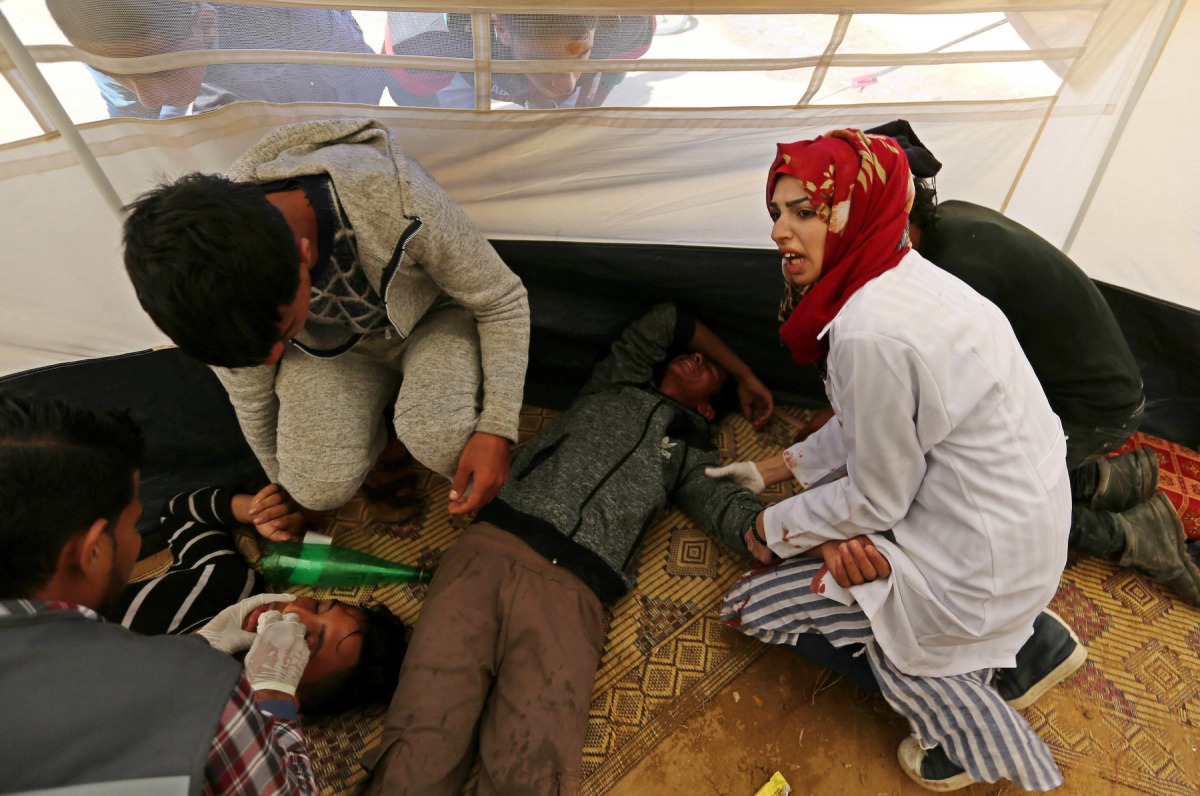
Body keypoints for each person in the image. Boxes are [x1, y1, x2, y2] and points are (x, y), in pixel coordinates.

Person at [711, 130, 1077, 791]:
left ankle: (965, 725)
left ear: (857, 211)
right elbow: (868, 429)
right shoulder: (907, 276)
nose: (780, 233)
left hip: (975, 563)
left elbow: (879, 497)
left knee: (753, 604)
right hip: (1023, 534)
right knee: (841, 543)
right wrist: (777, 471)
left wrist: (776, 528)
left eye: (805, 212)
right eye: (777, 212)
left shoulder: (867, 330)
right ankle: (1029, 643)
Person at [360, 302, 773, 795]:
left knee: (533, 766)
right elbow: (665, 320)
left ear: (707, 409)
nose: (699, 359)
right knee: (419, 743)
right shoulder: (614, 381)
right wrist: (745, 373)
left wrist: (788, 534)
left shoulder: (692, 455)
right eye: (696, 355)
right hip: (490, 550)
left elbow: (729, 509)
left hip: (571, 593)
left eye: (713, 372)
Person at [122, 118, 530, 526]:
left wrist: (497, 428)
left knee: (441, 436)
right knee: (313, 487)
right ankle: (383, 443)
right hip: (335, 354)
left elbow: (502, 300)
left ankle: (415, 440)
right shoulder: (212, 292)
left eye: (283, 334)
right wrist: (283, 490)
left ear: (304, 256)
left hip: (431, 322)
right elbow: (251, 398)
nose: (270, 364)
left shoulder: (395, 199)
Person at [867, 119, 1199, 606]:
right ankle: (1107, 480)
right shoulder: (945, 226)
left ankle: (1132, 533)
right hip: (1060, 389)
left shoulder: (958, 270)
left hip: (1096, 409)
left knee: (969, 504)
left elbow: (945, 397)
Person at [0, 394, 316, 794]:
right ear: (93, 550)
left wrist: (199, 646)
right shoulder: (198, 689)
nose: (297, 616)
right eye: (134, 522)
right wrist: (271, 690)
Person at [114, 482, 409, 714]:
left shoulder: (189, 726)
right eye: (319, 605)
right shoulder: (227, 585)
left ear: (288, 693)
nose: (294, 610)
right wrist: (255, 509)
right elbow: (178, 513)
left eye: (307, 639)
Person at [47, 0, 387, 119]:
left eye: (161, 72)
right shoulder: (105, 38)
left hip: (307, 60)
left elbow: (360, 74)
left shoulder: (281, 20)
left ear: (206, 25)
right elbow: (133, 119)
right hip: (213, 67)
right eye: (114, 72)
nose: (147, 99)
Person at [383, 13, 654, 109]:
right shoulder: (422, 37)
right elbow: (411, 96)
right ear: (500, 27)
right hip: (459, 59)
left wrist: (605, 80)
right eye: (539, 60)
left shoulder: (630, 23)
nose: (566, 86)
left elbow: (629, 51)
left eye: (581, 53)